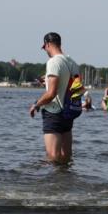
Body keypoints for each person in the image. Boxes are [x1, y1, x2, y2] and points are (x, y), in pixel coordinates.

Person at [28, 32, 80, 164]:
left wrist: (37, 105)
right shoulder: (72, 63)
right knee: (66, 157)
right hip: (68, 113)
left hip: (54, 112)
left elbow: (51, 94)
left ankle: (52, 184)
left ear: (48, 44)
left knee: (53, 156)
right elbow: (76, 89)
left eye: (45, 47)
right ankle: (65, 183)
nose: (45, 50)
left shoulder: (53, 62)